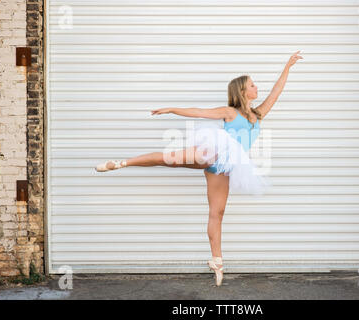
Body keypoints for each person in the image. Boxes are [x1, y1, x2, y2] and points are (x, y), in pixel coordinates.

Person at [95, 51, 303, 286]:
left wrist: (288, 66)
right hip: (213, 152)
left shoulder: (258, 114)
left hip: (225, 167)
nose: (257, 88)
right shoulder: (229, 112)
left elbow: (277, 91)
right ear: (243, 92)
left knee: (218, 212)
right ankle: (122, 163)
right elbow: (199, 112)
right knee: (168, 159)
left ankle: (217, 261)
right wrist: (172, 109)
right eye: (253, 85)